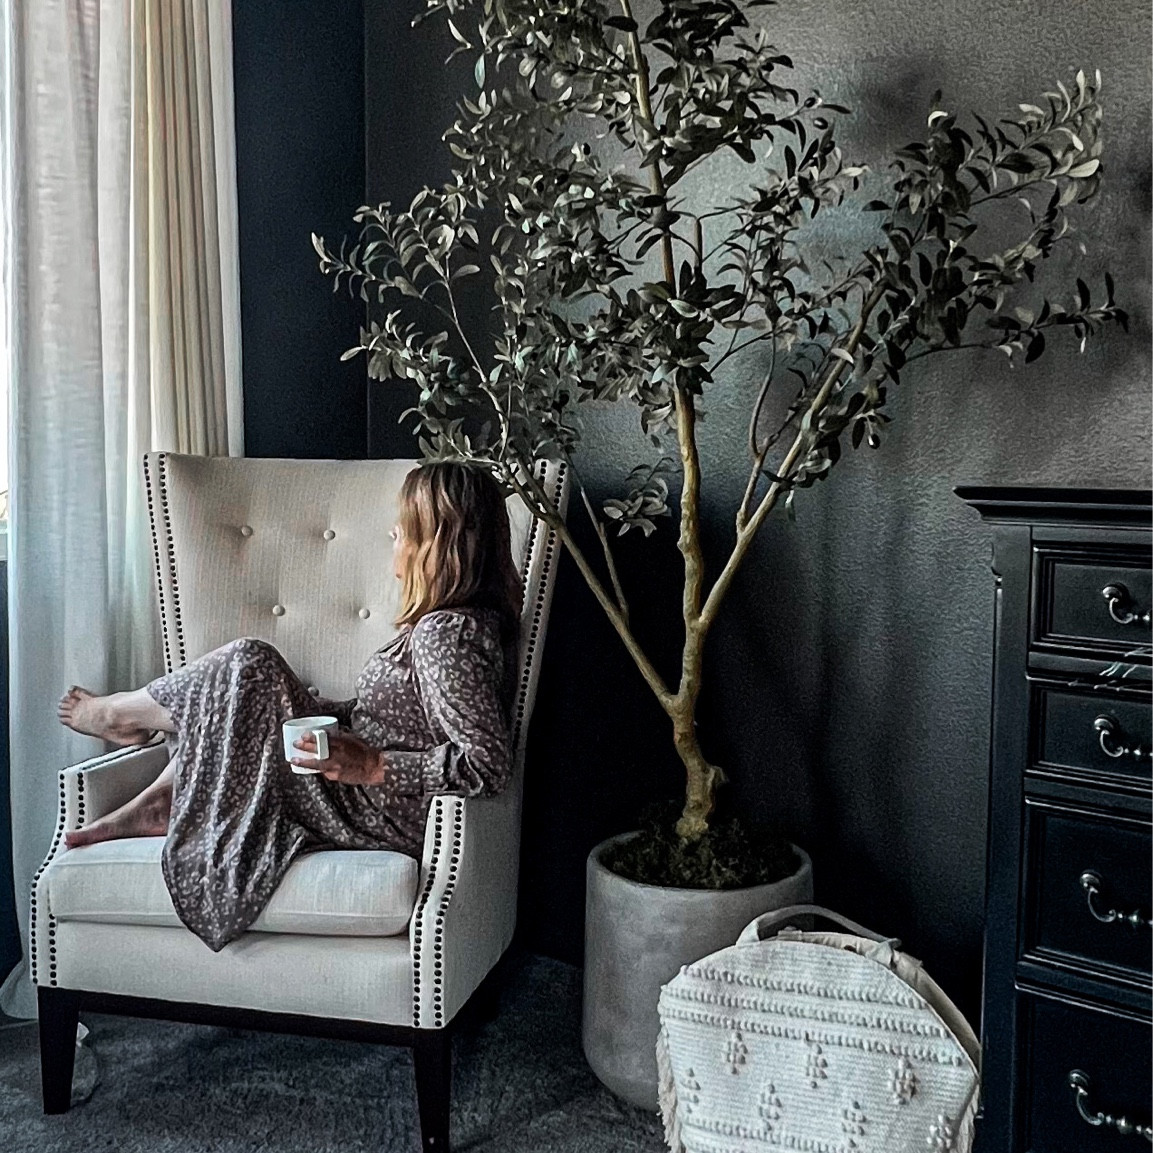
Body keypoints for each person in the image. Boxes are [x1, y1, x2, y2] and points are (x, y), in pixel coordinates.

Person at [55, 462, 521, 952]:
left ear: (436, 545)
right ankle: (156, 789)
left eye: (405, 532)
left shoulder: (444, 637)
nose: (396, 548)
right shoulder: (453, 627)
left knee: (251, 663)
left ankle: (122, 721)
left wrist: (376, 765)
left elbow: (488, 765)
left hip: (375, 810)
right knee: (253, 677)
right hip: (362, 792)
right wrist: (325, 712)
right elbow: (410, 719)